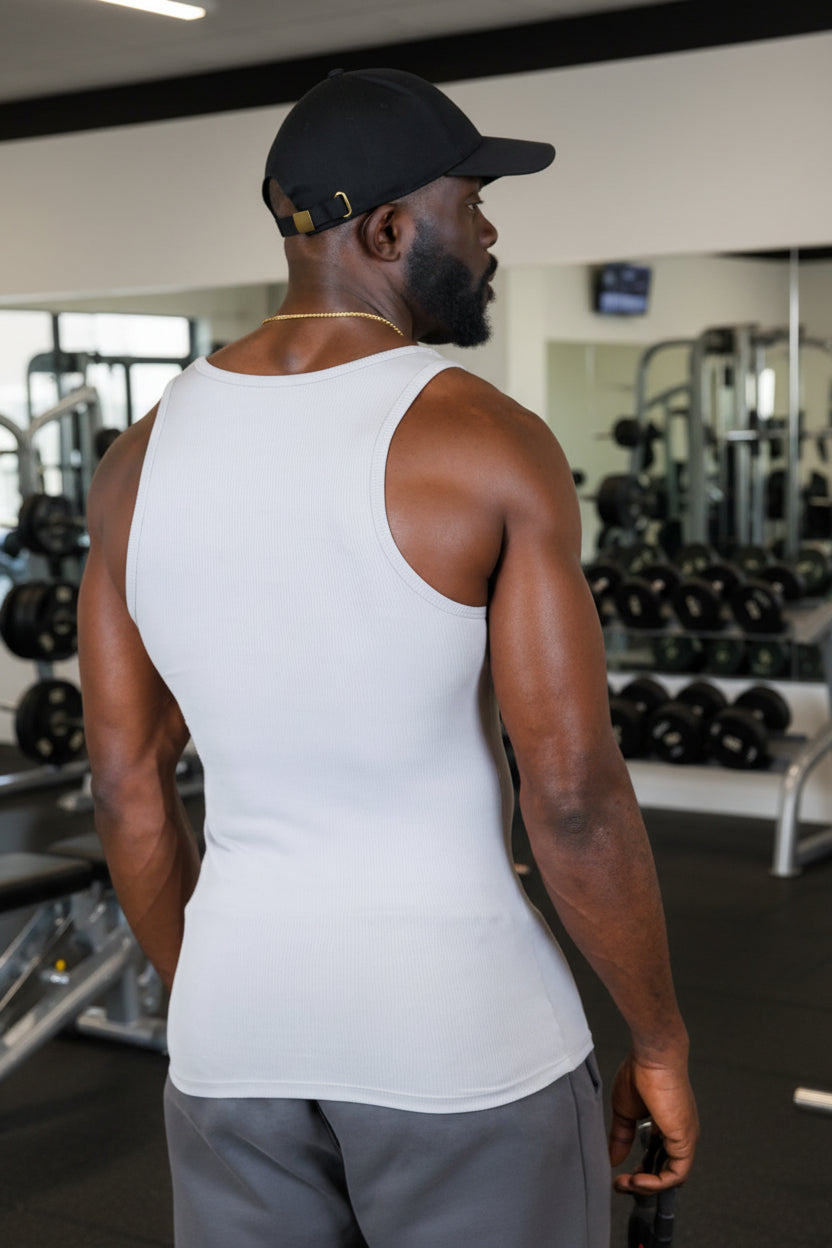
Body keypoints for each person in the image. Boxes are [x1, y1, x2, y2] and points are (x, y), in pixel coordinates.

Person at [78, 66, 697, 1248]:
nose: (492, 227)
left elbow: (127, 787)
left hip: (231, 1040)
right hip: (462, 1037)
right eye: (474, 201)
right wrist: (657, 1041)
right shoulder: (488, 442)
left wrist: (221, 997)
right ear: (388, 228)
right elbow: (569, 796)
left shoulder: (134, 460)